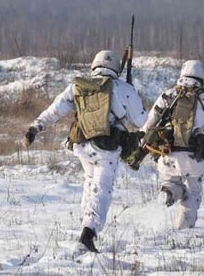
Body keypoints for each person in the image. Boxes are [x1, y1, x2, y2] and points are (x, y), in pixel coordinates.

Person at [23, 50, 147, 254]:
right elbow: (142, 121)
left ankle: (86, 224)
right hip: (106, 148)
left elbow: (55, 110)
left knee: (90, 183)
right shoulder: (123, 89)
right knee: (102, 189)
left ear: (94, 65)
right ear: (117, 67)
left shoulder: (78, 86)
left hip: (81, 144)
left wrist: (36, 127)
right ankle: (87, 235)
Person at [138, 60, 204, 229]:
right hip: (192, 156)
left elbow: (149, 124)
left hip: (167, 153)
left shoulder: (168, 95)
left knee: (171, 182)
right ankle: (182, 229)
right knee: (193, 193)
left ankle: (168, 193)